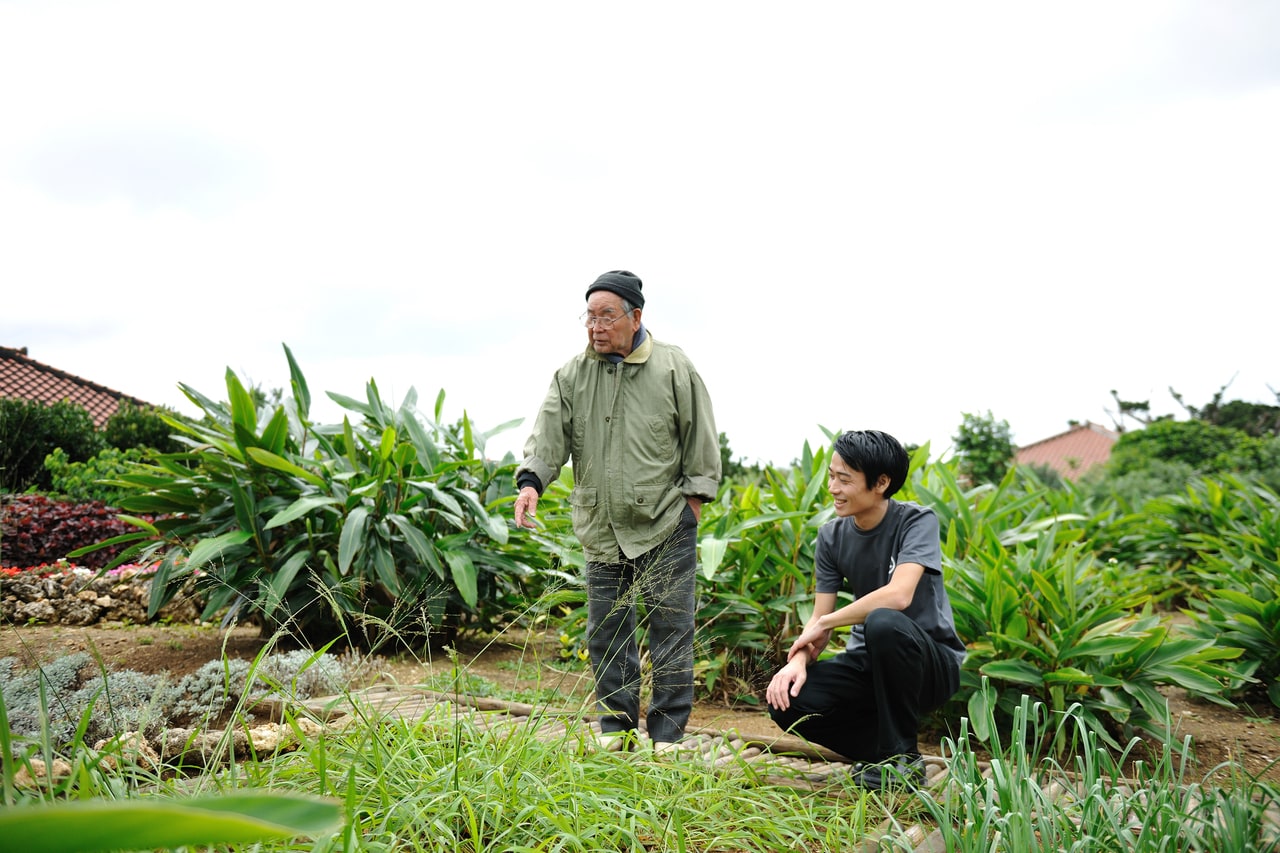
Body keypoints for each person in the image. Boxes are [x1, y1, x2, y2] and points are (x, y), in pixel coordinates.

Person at [514, 269, 721, 752]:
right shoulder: (571, 375)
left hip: (667, 522)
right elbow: (548, 438)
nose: (596, 326)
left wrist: (691, 505)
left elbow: (701, 441)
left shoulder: (673, 367)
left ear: (636, 317)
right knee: (606, 630)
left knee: (671, 628)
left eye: (607, 315)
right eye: (589, 316)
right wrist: (531, 483)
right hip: (602, 527)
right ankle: (616, 730)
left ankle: (667, 737)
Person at [765, 429, 965, 789]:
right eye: (831, 476)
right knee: (786, 702)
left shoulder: (917, 521)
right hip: (868, 664)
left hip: (929, 665)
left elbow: (899, 595)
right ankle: (886, 755)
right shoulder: (831, 537)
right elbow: (818, 617)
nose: (833, 488)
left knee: (884, 622)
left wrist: (826, 622)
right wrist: (796, 661)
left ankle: (899, 756)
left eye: (844, 479)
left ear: (881, 483)